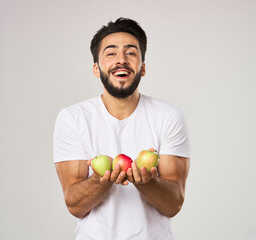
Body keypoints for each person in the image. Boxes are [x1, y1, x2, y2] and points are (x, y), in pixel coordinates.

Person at [53, 17, 191, 240]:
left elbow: (174, 204)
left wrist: (147, 183)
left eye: (131, 53)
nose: (121, 60)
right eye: (111, 53)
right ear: (96, 69)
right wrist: (101, 180)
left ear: (142, 68)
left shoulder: (168, 116)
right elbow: (74, 205)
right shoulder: (73, 118)